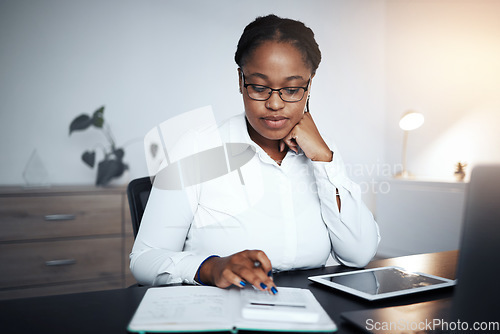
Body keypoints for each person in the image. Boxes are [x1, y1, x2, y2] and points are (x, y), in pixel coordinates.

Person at [130, 14, 380, 295]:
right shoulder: (196, 148)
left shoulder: (321, 151)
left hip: (309, 307)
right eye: (259, 88)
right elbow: (144, 259)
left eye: (292, 89)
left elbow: (359, 254)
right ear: (240, 80)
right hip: (219, 307)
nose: (274, 103)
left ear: (310, 85)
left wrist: (324, 159)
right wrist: (211, 268)